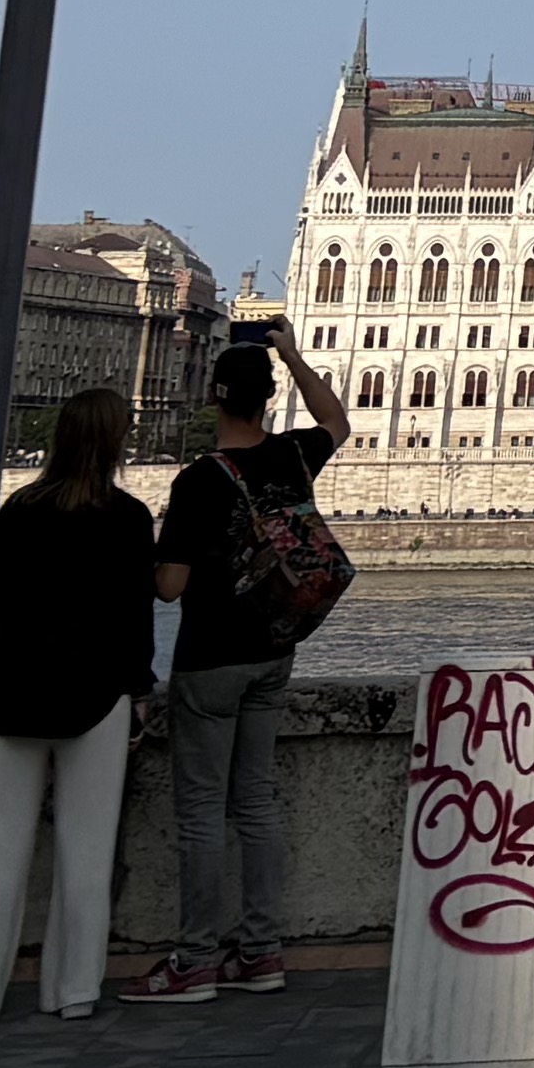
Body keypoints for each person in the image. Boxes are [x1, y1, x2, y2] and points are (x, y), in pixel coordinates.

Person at [127, 313, 348, 1006]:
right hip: (274, 650)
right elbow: (337, 422)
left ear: (217, 395)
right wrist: (295, 356)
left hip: (213, 657)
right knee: (256, 803)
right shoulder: (291, 457)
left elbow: (171, 587)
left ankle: (194, 960)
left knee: (200, 811)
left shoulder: (198, 480)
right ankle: (260, 952)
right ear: (267, 397)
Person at [0, 387, 156, 1023]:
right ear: (117, 441)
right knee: (86, 856)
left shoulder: (19, 509)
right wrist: (140, 691)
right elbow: (133, 616)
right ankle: (72, 990)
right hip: (94, 695)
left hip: (10, 693)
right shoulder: (127, 516)